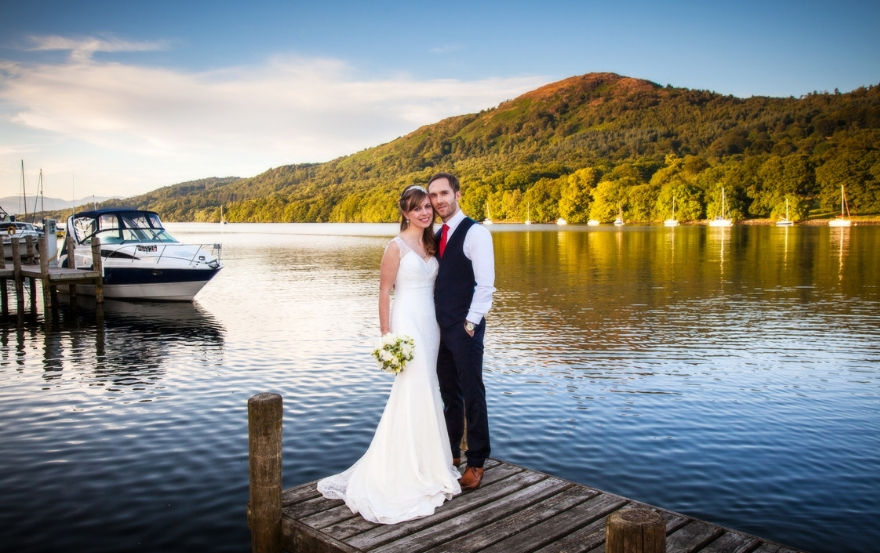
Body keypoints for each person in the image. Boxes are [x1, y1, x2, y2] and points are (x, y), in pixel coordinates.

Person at [316, 185, 461, 524]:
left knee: (428, 391)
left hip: (432, 324)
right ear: (405, 213)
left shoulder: (432, 242)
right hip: (407, 323)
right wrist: (387, 337)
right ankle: (405, 468)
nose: (425, 212)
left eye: (428, 206)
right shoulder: (395, 247)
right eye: (417, 208)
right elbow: (384, 292)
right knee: (411, 390)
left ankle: (428, 462)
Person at [427, 172, 496, 491]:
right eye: (434, 196)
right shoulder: (438, 233)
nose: (439, 200)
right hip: (440, 330)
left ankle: (478, 461)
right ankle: (452, 453)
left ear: (457, 194)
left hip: (465, 328)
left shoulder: (475, 233)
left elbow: (485, 284)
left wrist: (470, 323)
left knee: (472, 394)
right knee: (449, 395)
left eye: (444, 193)